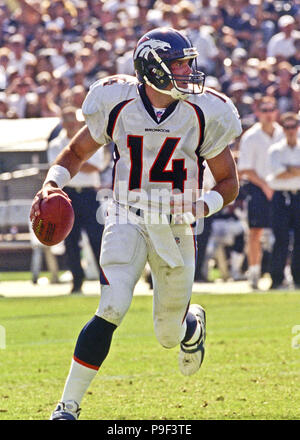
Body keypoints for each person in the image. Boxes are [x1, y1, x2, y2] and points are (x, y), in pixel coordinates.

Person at [30, 28, 241, 420]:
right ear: (153, 67)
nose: (187, 71)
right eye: (178, 64)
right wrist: (51, 183)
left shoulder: (204, 111)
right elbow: (76, 151)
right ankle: (67, 407)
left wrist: (201, 206)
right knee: (111, 306)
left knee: (167, 334)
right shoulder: (117, 102)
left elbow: (229, 182)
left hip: (177, 225)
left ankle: (190, 326)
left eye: (188, 63)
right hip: (126, 215)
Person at [47, 105, 104, 293]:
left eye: (74, 120)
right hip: (68, 195)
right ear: (62, 122)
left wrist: (73, 161)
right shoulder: (56, 143)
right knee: (71, 240)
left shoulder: (91, 139)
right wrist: (78, 161)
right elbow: (57, 168)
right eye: (68, 120)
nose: (71, 124)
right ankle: (77, 282)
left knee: (98, 238)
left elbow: (96, 166)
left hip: (89, 193)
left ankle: (105, 282)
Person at [237, 96, 284, 289]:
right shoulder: (251, 136)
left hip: (280, 187)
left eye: (271, 109)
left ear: (276, 112)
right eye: (264, 110)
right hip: (257, 188)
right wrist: (265, 185)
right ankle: (254, 273)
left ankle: (280, 273)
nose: (268, 114)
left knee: (282, 234)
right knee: (255, 232)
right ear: (258, 113)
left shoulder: (283, 133)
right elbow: (245, 168)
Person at [266, 112, 300, 290]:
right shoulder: (276, 149)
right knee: (280, 239)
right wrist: (295, 170)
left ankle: (298, 277)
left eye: (293, 127)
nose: (291, 131)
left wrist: (288, 169)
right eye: (287, 127)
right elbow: (277, 172)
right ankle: (277, 278)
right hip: (280, 196)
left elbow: (284, 171)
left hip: (298, 195)